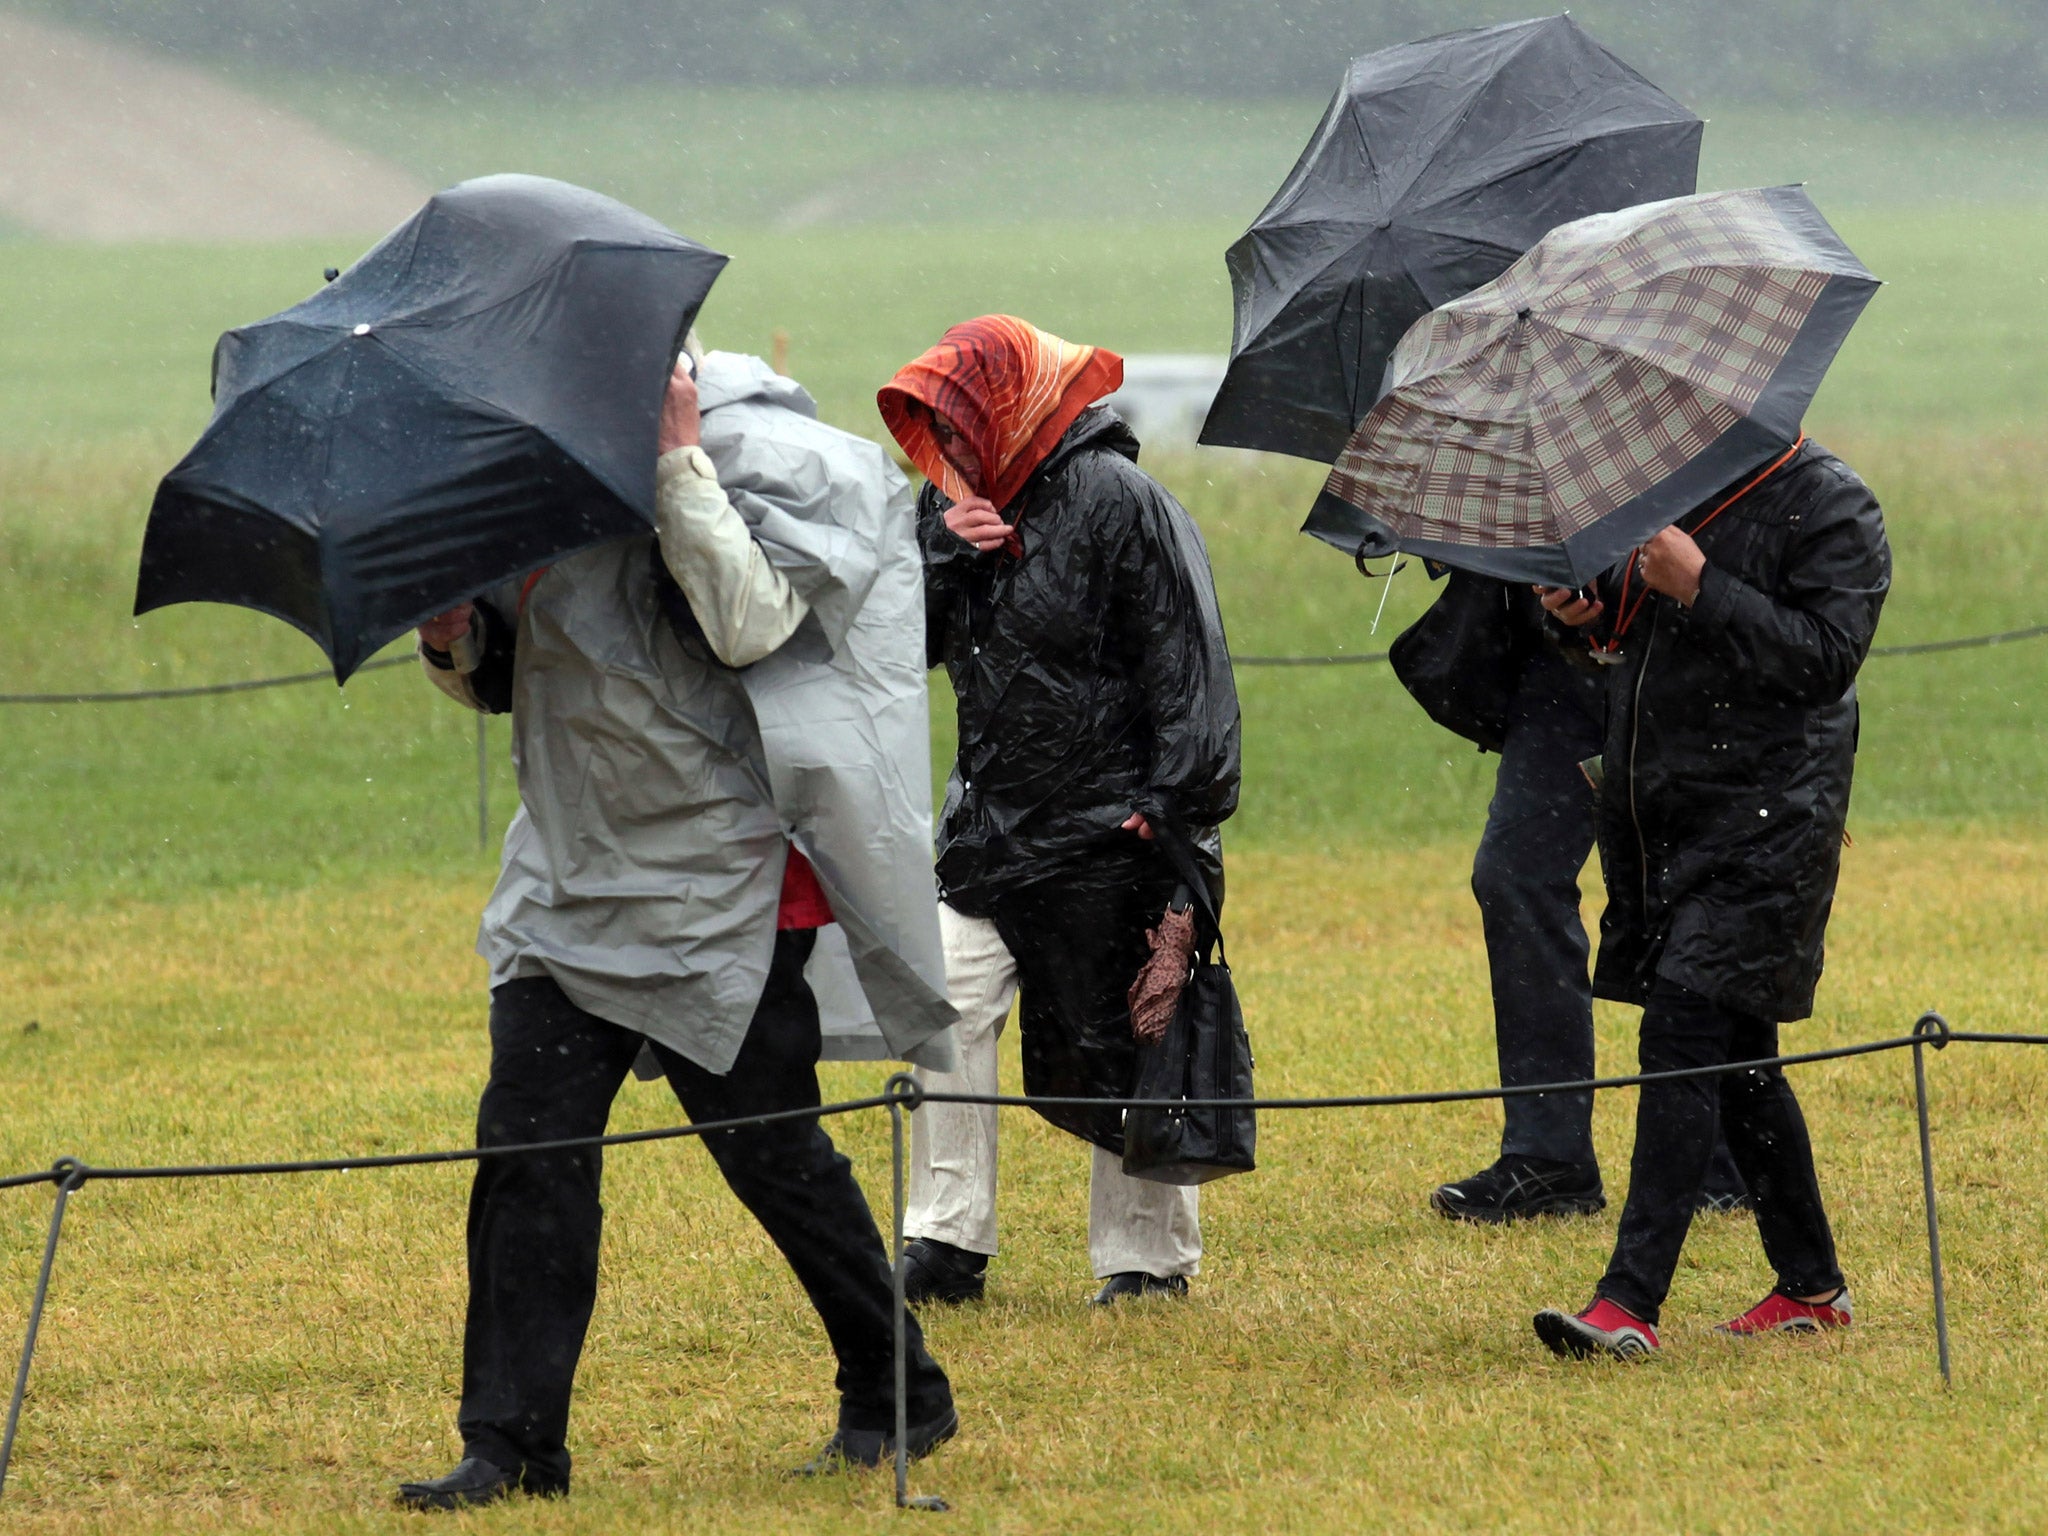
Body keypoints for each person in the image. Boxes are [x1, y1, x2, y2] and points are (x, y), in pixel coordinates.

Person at [394, 336, 960, 1510]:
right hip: (564, 880)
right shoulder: (520, 481)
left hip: (717, 884)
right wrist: (450, 628)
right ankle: (510, 1447)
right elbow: (505, 676)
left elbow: (754, 625)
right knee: (526, 1157)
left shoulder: (745, 455)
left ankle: (896, 1388)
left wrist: (676, 467)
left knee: (772, 1157)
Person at [876, 316, 1241, 1308]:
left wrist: (1173, 805)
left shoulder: (1124, 505)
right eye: (936, 433)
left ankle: (1146, 1261)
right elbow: (896, 651)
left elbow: (1187, 661)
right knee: (947, 999)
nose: (949, 450)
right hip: (990, 829)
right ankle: (945, 1241)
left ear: (1012, 409)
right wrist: (945, 557)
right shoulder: (944, 509)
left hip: (1112, 834)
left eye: (961, 426)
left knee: (1125, 1032)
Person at [1529, 437, 1889, 1359]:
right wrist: (1585, 619)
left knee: (1683, 1036)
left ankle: (1627, 1304)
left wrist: (1702, 585)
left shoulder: (1837, 508)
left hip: (1775, 827)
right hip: (1665, 826)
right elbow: (1638, 661)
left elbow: (1826, 661)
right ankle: (1812, 1288)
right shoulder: (1666, 492)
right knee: (1739, 1064)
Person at [1413, 582, 1750, 1224]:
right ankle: (1549, 1158)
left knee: (1683, 887)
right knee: (1515, 876)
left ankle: (1722, 1155)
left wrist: (1633, 582)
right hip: (1559, 671)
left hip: (1682, 661)